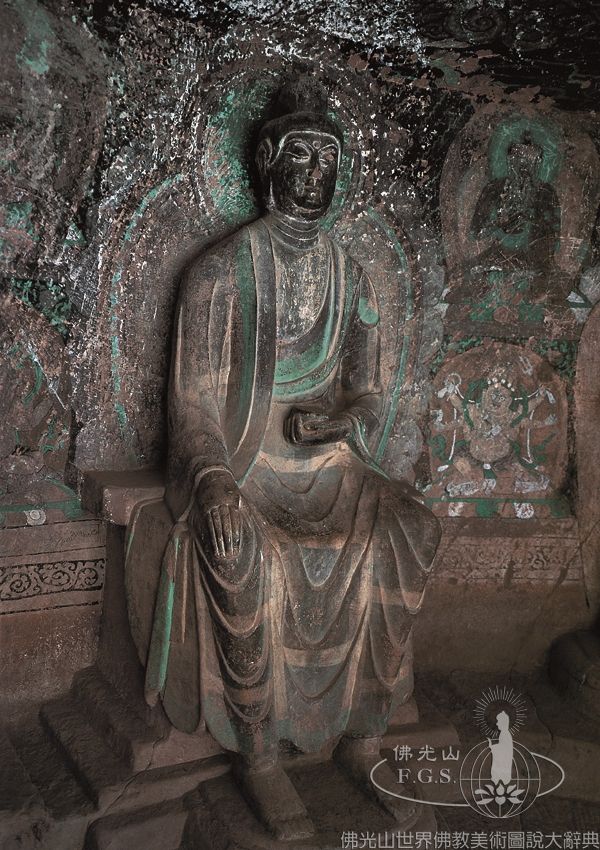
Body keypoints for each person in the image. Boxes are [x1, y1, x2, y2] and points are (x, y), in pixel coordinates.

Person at [126, 78, 440, 840]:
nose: (312, 171)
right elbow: (193, 407)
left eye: (326, 157)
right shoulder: (217, 274)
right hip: (245, 464)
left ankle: (363, 734)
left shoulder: (352, 277)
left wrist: (341, 420)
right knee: (241, 545)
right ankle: (260, 750)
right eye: (297, 154)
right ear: (264, 162)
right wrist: (212, 481)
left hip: (329, 466)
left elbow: (370, 395)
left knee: (412, 528)